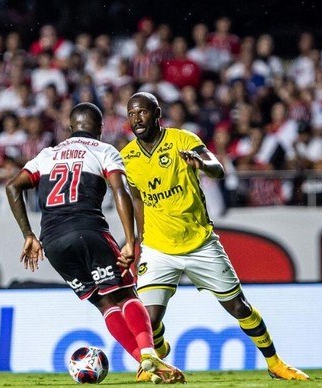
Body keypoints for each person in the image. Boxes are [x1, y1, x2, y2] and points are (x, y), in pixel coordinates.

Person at [120, 92, 310, 381]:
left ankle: (275, 363)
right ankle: (157, 354)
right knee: (148, 319)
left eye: (143, 113)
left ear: (157, 114)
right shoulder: (128, 156)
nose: (137, 119)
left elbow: (218, 169)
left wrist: (201, 163)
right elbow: (136, 199)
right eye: (132, 114)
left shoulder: (183, 140)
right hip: (158, 248)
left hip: (200, 245)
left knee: (239, 307)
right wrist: (137, 240)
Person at [5, 102, 185, 384]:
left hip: (52, 242)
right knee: (126, 295)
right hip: (88, 231)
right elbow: (120, 190)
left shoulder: (46, 155)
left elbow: (12, 186)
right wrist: (131, 240)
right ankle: (149, 354)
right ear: (100, 129)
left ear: (70, 128)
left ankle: (145, 364)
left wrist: (29, 235)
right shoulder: (103, 150)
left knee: (104, 304)